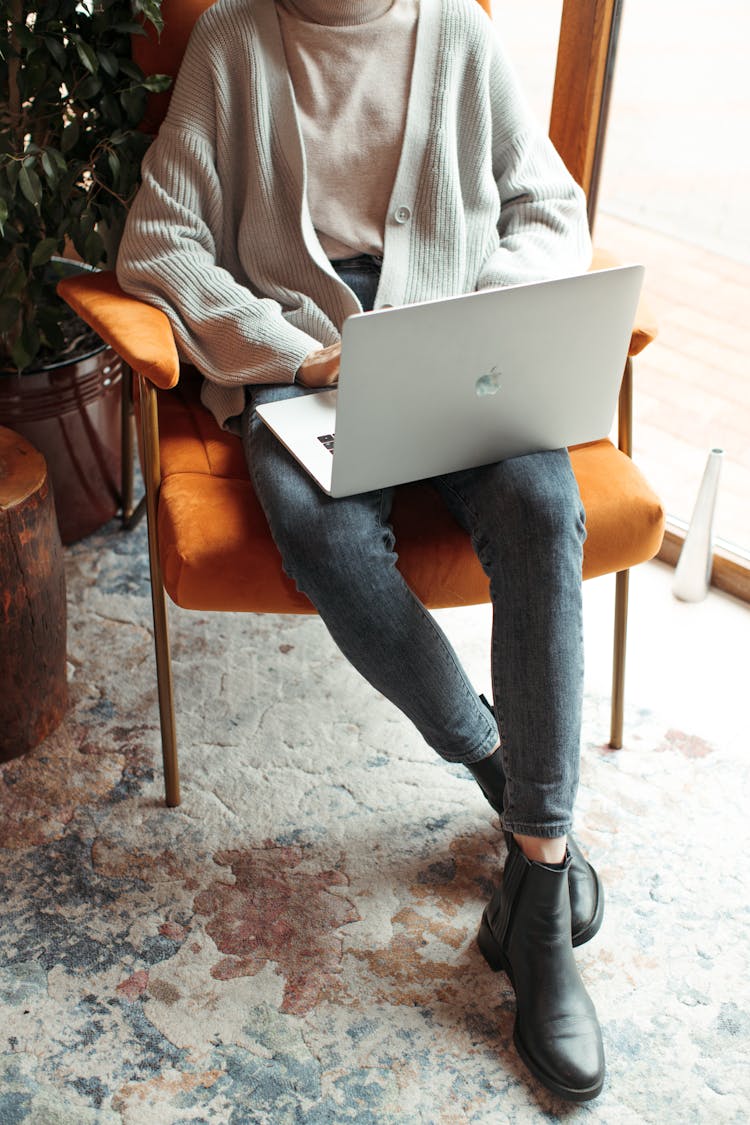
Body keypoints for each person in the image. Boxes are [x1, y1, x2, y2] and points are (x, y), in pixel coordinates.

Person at [117, 0, 606, 1101]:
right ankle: (497, 758)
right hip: (305, 350)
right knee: (323, 537)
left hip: (458, 338)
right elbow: (161, 237)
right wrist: (298, 353)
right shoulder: (234, 43)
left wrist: (484, 313)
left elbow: (546, 203)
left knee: (541, 506)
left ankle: (538, 888)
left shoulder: (463, 38)